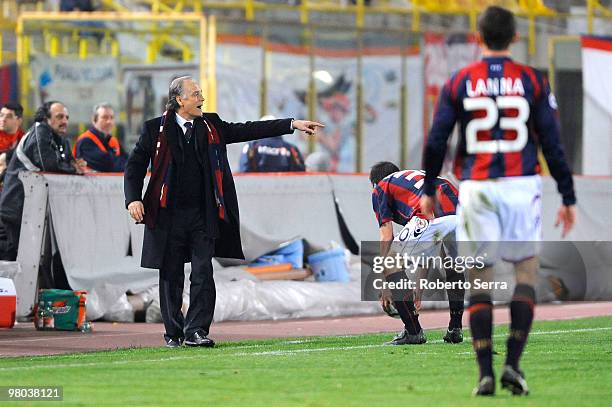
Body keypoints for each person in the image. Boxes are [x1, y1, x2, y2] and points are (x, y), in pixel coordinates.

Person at [421, 6, 577, 396]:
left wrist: (427, 189)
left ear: (478, 36)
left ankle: (485, 373)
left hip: (476, 188)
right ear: (514, 37)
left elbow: (437, 139)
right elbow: (553, 143)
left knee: (479, 279)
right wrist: (568, 195)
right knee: (525, 274)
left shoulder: (459, 81)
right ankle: (513, 365)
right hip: (521, 186)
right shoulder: (532, 80)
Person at [124, 76, 323, 348]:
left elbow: (248, 130)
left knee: (203, 271)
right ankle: (173, 332)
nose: (202, 98)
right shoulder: (153, 130)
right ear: (179, 100)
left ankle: (196, 331)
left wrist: (291, 124)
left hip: (204, 214)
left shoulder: (211, 125)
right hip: (167, 215)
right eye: (196, 94)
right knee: (170, 275)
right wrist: (133, 199)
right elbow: (134, 167)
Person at [370, 161, 465, 345]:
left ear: (374, 183)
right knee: (452, 265)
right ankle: (455, 328)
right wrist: (419, 289)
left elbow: (386, 235)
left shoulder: (380, 188)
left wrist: (385, 283)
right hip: (461, 209)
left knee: (391, 264)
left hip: (429, 211)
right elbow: (428, 246)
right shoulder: (410, 182)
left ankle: (413, 332)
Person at [0, 101, 87, 260]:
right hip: (14, 210)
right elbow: (49, 164)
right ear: (46, 118)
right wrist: (73, 168)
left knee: (33, 259)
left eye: (67, 117)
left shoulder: (61, 140)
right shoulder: (40, 131)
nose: (65, 121)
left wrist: (76, 166)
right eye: (59, 117)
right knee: (13, 259)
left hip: (33, 210)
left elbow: (69, 165)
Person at [238, 115, 305, 173]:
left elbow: (244, 169)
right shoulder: (291, 148)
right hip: (286, 186)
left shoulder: (251, 146)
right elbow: (300, 171)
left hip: (256, 186)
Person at [74, 103, 127, 172]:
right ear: (94, 120)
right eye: (105, 117)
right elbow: (109, 166)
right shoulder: (85, 141)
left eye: (112, 117)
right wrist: (119, 161)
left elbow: (131, 162)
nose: (109, 121)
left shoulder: (113, 141)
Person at [0, 102, 25, 179]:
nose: (3, 119)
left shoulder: (25, 141)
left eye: (9, 116)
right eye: (1, 115)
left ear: (19, 121)